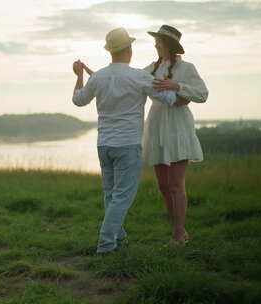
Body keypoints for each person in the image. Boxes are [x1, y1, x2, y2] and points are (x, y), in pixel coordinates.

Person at [72, 27, 187, 254]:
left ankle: (120, 237)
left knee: (111, 194)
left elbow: (78, 100)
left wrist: (79, 77)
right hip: (127, 146)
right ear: (129, 49)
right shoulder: (138, 76)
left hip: (104, 145)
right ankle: (106, 244)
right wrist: (181, 91)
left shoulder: (99, 77)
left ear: (110, 51)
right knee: (122, 196)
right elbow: (168, 97)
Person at [143, 25, 209, 246]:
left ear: (169, 45)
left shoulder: (187, 68)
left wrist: (177, 85)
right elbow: (127, 81)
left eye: (159, 41)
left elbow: (202, 94)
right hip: (156, 125)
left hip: (178, 126)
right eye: (156, 41)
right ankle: (178, 229)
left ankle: (179, 235)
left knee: (175, 184)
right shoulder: (150, 68)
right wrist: (100, 77)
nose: (156, 44)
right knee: (163, 185)